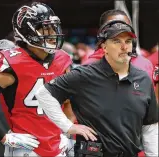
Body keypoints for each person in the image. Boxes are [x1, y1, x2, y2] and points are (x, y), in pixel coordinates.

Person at [35, 20, 158, 157]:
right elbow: (44, 93)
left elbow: (150, 126)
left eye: (128, 41)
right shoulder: (84, 75)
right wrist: (68, 126)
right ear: (104, 47)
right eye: (117, 41)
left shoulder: (143, 79)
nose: (124, 47)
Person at [0, 2, 77, 156]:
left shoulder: (62, 60)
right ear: (28, 32)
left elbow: (68, 104)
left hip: (57, 146)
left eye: (54, 27)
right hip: (25, 148)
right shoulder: (12, 63)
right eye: (46, 28)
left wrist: (66, 130)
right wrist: (4, 137)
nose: (53, 33)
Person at [83, 10, 154, 81]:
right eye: (114, 27)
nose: (120, 30)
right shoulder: (88, 67)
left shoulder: (145, 64)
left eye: (125, 27)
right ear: (102, 35)